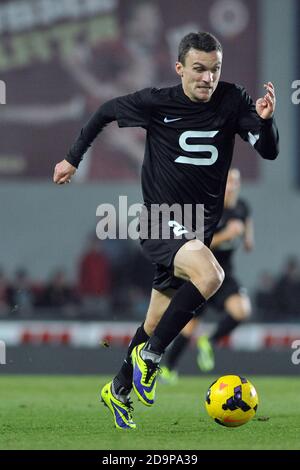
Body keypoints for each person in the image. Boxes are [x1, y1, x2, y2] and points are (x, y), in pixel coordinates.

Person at [53, 32, 279, 429]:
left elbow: (269, 150)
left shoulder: (233, 100)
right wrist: (72, 159)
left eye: (214, 69)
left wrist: (265, 121)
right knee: (212, 275)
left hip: (196, 230)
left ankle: (120, 387)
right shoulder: (158, 102)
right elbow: (105, 110)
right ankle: (151, 357)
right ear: (179, 69)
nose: (207, 78)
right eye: (198, 69)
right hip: (162, 219)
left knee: (156, 320)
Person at [160, 168, 254, 383]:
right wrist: (226, 235)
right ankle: (169, 368)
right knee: (188, 325)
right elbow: (195, 244)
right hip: (202, 272)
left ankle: (209, 341)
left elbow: (247, 230)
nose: (231, 185)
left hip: (225, 274)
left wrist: (247, 237)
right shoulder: (210, 208)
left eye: (235, 181)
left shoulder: (242, 208)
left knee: (242, 310)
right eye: (228, 180)